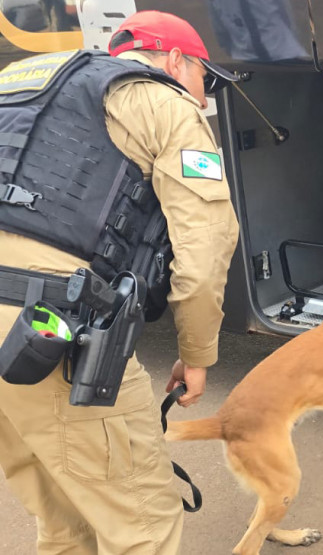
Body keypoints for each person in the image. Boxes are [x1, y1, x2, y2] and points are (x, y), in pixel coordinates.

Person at [0, 10, 239, 554]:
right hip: (49, 330)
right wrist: (197, 355)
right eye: (206, 78)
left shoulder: (23, 87)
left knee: (65, 522)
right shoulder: (161, 102)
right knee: (142, 523)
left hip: (16, 340)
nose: (205, 96)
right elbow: (205, 247)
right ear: (177, 60)